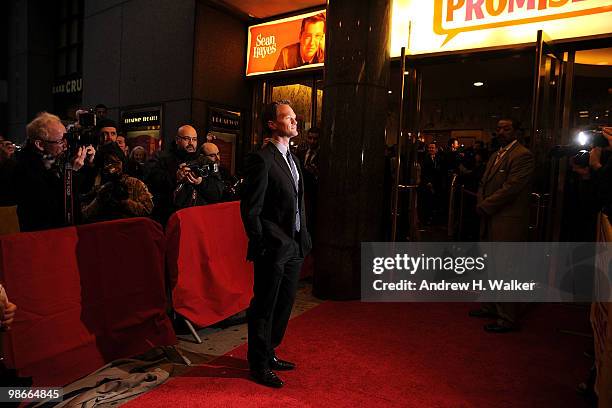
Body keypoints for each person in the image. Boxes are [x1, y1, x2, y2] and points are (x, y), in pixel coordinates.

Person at [240, 100, 312, 388]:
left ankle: (269, 352)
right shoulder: (262, 159)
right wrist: (262, 242)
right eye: (288, 118)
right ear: (272, 124)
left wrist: (302, 238)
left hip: (294, 245)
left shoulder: (293, 159)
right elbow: (251, 209)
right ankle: (257, 364)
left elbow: (298, 202)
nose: (296, 122)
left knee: (284, 304)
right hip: (273, 246)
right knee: (265, 305)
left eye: (295, 118)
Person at [471, 118, 535, 333]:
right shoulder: (496, 154)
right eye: (498, 128)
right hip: (490, 218)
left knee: (506, 270)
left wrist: (485, 205)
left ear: (517, 131)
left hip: (507, 220)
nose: (501, 132)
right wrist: (482, 203)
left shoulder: (522, 155)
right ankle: (490, 306)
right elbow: (483, 183)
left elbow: (511, 188)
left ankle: (507, 318)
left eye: (506, 128)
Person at [11, 112, 96, 231]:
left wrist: (88, 165)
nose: (66, 145)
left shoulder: (57, 158)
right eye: (61, 141)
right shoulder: (25, 168)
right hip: (44, 237)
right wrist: (72, 173)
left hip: (67, 232)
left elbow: (84, 189)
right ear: (40, 144)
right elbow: (50, 207)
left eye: (67, 138)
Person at [81, 143, 153, 222]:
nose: (112, 167)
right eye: (108, 163)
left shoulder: (135, 184)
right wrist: (99, 199)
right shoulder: (96, 186)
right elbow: (84, 215)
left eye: (116, 162)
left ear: (122, 162)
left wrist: (125, 202)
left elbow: (147, 210)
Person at [145, 125, 199, 224]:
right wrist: (175, 177)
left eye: (194, 139)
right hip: (169, 216)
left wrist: (201, 182)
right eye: (187, 139)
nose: (191, 143)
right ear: (177, 140)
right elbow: (153, 180)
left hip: (194, 216)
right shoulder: (161, 158)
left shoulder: (200, 160)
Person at [172, 142, 225, 209]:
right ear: (202, 157)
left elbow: (218, 194)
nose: (218, 158)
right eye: (212, 155)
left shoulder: (222, 171)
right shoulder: (191, 167)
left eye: (218, 154)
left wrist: (201, 182)